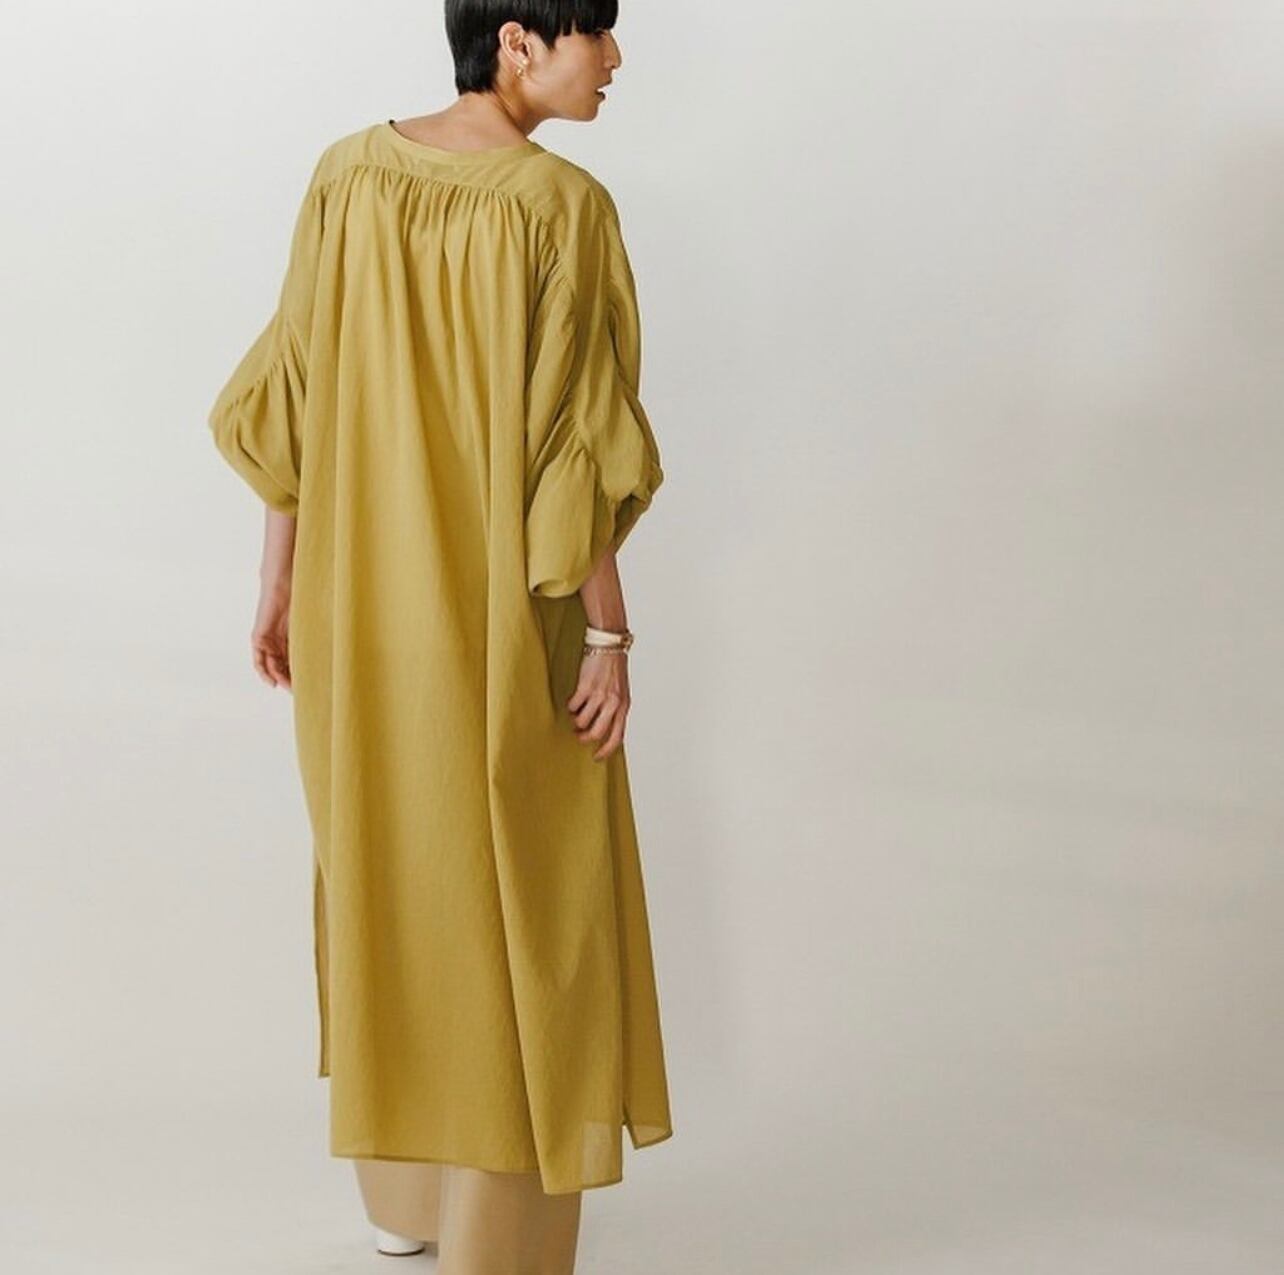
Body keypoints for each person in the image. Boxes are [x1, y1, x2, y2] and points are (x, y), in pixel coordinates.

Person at [205, 3, 673, 1271]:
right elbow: (574, 449)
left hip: (356, 611)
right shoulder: (560, 208)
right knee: (530, 900)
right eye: (598, 34)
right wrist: (610, 637)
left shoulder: (346, 176)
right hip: (498, 619)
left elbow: (292, 391)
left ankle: (406, 1202)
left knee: (399, 878)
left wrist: (279, 583)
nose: (615, 60)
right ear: (519, 40)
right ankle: (495, 1234)